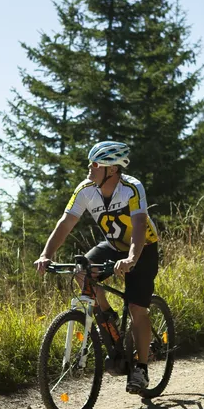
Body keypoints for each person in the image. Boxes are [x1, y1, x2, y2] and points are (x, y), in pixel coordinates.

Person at [34, 141, 159, 393]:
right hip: (112, 245)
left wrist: (132, 259)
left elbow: (137, 229)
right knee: (82, 271)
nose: (89, 168)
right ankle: (107, 314)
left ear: (111, 170)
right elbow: (65, 223)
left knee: (136, 307)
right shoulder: (85, 189)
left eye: (95, 164)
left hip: (142, 248)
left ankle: (141, 370)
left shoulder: (132, 188)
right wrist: (47, 254)